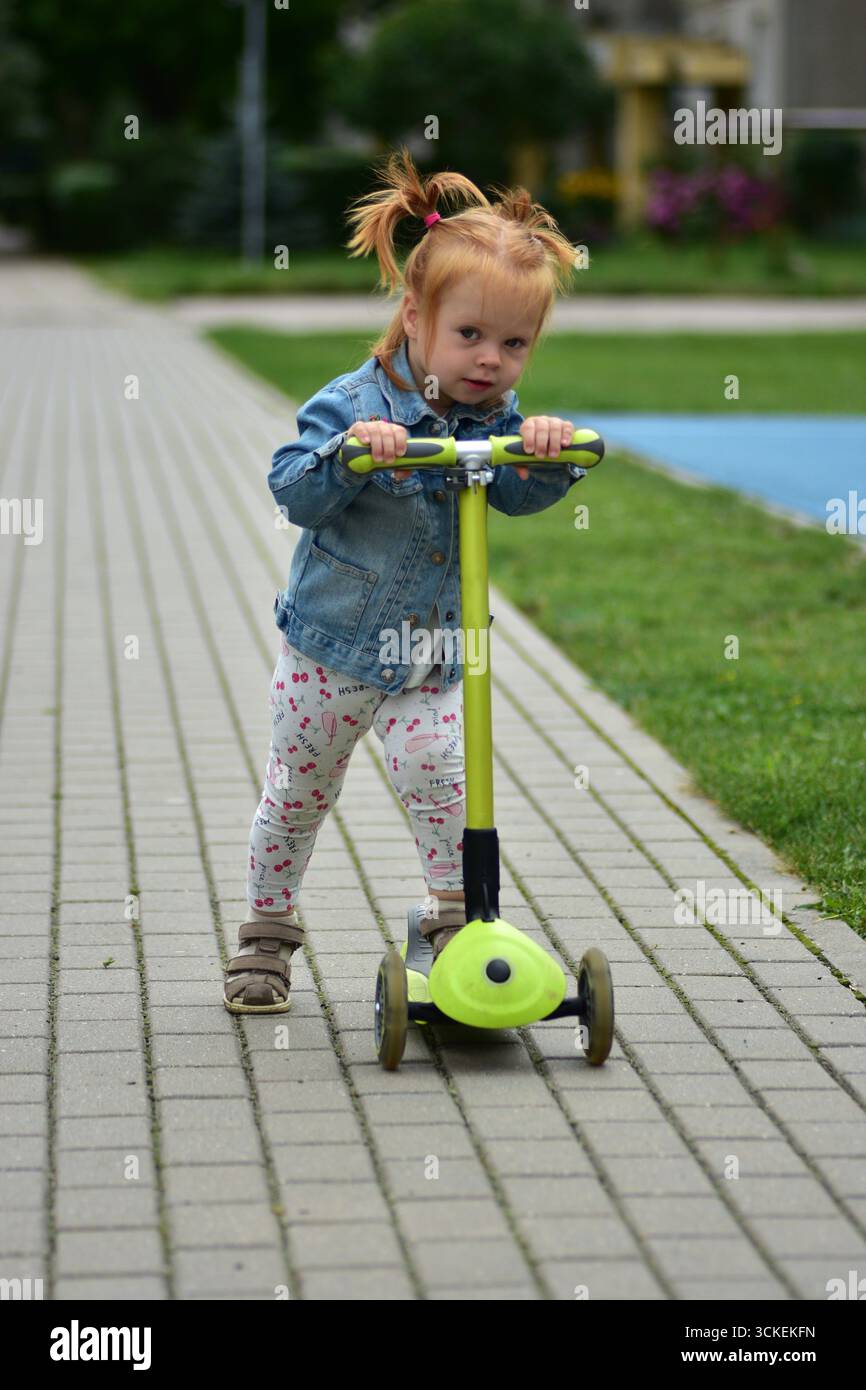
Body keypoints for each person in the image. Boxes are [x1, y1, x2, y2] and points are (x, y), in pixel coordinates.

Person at [223, 147, 587, 1013]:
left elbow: (515, 492)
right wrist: (350, 457)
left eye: (514, 344)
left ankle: (455, 928)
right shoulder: (353, 403)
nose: (491, 361)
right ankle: (267, 935)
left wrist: (547, 455)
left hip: (428, 657)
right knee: (299, 792)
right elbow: (292, 489)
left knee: (442, 782)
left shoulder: (490, 418)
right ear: (414, 317)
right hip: (331, 651)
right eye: (470, 336)